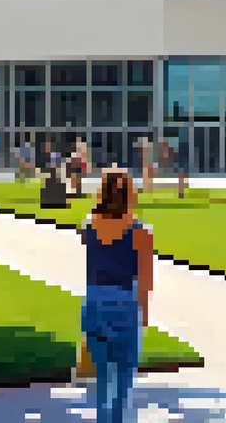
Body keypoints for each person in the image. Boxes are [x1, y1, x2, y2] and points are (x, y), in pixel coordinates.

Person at [79, 170, 154, 423]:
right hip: (124, 303)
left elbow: (91, 268)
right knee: (123, 380)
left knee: (103, 379)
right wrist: (142, 316)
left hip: (94, 302)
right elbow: (145, 281)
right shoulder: (141, 232)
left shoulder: (89, 225)